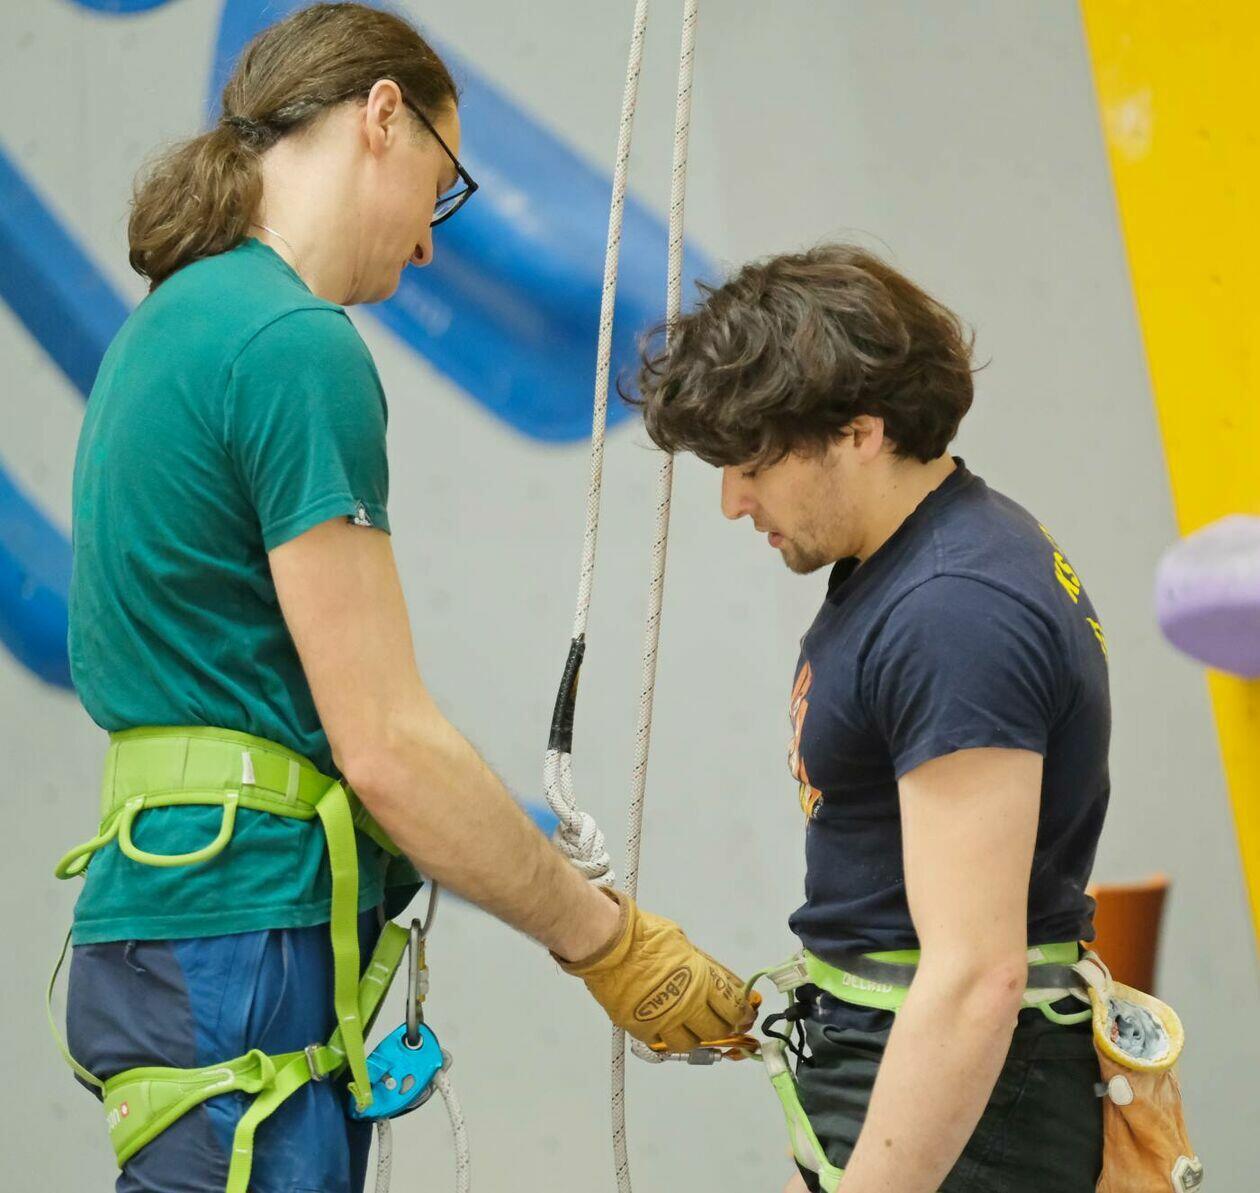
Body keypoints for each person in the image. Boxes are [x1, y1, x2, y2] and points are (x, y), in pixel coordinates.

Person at [59, 6, 751, 1192]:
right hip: (242, 936)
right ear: (381, 116)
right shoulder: (292, 344)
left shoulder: (171, 324)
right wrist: (607, 939)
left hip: (166, 919)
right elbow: (384, 746)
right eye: (443, 187)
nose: (431, 244)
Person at [635, 243, 1110, 1193]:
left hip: (971, 1101)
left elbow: (974, 976)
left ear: (860, 431)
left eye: (751, 464)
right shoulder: (913, 562)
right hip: (909, 1073)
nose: (732, 501)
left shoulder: (954, 607)